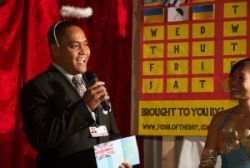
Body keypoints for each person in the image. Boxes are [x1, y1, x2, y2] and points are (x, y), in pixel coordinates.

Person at [20, 20, 132, 168]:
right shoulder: (37, 87)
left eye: (85, 44)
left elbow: (112, 132)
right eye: (74, 45)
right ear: (56, 50)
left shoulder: (93, 83)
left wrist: (120, 160)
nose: (83, 51)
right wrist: (84, 107)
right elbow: (41, 138)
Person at [199, 58, 250, 168]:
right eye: (232, 77)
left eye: (241, 77)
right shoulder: (219, 119)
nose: (233, 82)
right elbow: (206, 162)